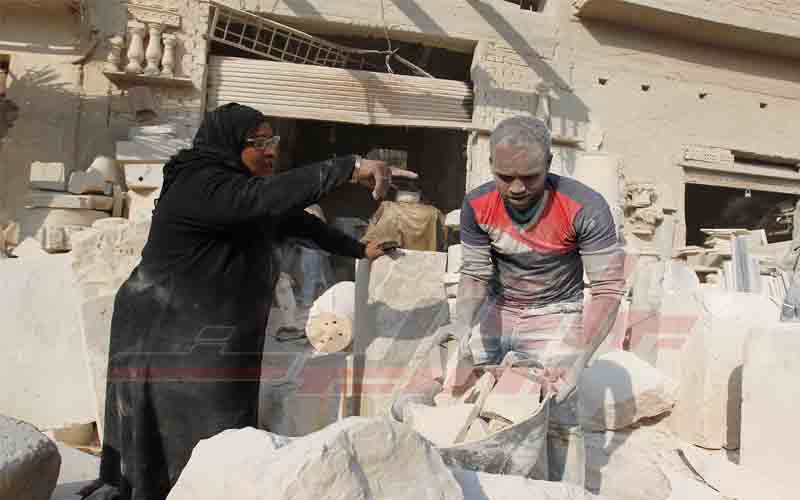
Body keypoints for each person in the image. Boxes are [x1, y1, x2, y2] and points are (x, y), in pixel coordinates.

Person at [80, 103, 416, 500]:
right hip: (164, 327)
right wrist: (348, 167)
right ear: (229, 144)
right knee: (191, 424)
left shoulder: (242, 190)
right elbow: (266, 198)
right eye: (259, 143)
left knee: (223, 423)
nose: (271, 151)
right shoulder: (200, 183)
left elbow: (295, 220)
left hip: (209, 325)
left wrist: (358, 249)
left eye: (273, 141)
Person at [449, 116, 625, 486]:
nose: (516, 188)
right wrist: (460, 331)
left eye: (530, 177)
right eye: (504, 176)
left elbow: (607, 288)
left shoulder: (584, 206)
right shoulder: (477, 204)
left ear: (548, 163)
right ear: (491, 165)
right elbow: (475, 273)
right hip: (498, 306)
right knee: (462, 394)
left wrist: (580, 359)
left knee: (558, 409)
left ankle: (563, 490)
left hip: (556, 312)